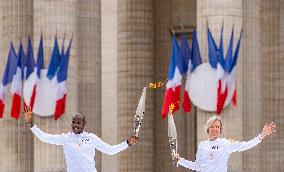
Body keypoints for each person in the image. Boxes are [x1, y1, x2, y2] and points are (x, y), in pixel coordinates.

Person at [24, 105, 138, 172]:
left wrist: (127, 143)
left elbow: (110, 150)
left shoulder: (91, 138)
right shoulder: (66, 138)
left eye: (78, 123)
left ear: (84, 124)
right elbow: (45, 138)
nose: (75, 125)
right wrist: (31, 124)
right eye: (73, 123)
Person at [175, 115, 277, 172]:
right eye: (212, 126)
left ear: (220, 129)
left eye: (217, 127)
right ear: (208, 129)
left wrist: (261, 135)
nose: (214, 129)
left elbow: (245, 145)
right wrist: (180, 160)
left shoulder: (226, 143)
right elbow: (197, 166)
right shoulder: (202, 145)